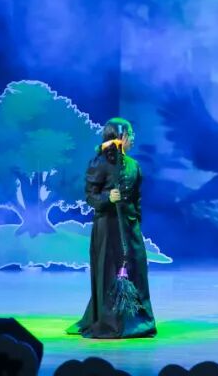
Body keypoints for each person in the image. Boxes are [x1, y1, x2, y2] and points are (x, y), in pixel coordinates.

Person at [67, 118, 157, 339]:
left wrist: (135, 223)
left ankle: (137, 320)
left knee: (135, 271)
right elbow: (91, 196)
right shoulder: (100, 163)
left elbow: (136, 200)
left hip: (129, 228)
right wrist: (108, 197)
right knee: (109, 272)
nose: (133, 138)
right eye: (130, 134)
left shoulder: (134, 166)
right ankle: (109, 321)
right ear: (121, 136)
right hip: (107, 229)